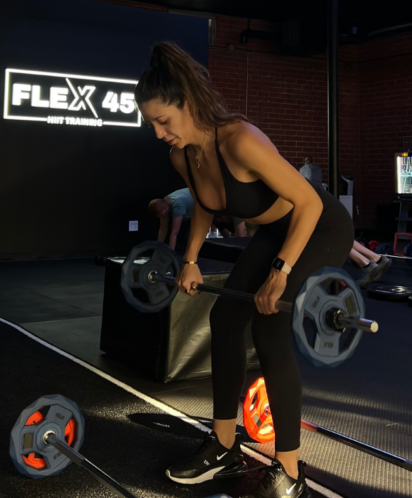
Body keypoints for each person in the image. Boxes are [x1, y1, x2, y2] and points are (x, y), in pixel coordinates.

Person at [136, 42, 354, 498]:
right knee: (225, 318)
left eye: (163, 121)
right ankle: (224, 446)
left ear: (188, 105)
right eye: (150, 123)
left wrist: (280, 272)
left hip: (320, 225)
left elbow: (309, 202)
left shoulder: (239, 140)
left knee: (269, 326)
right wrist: (191, 260)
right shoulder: (183, 156)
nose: (157, 133)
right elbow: (203, 203)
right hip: (276, 232)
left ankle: (291, 472)